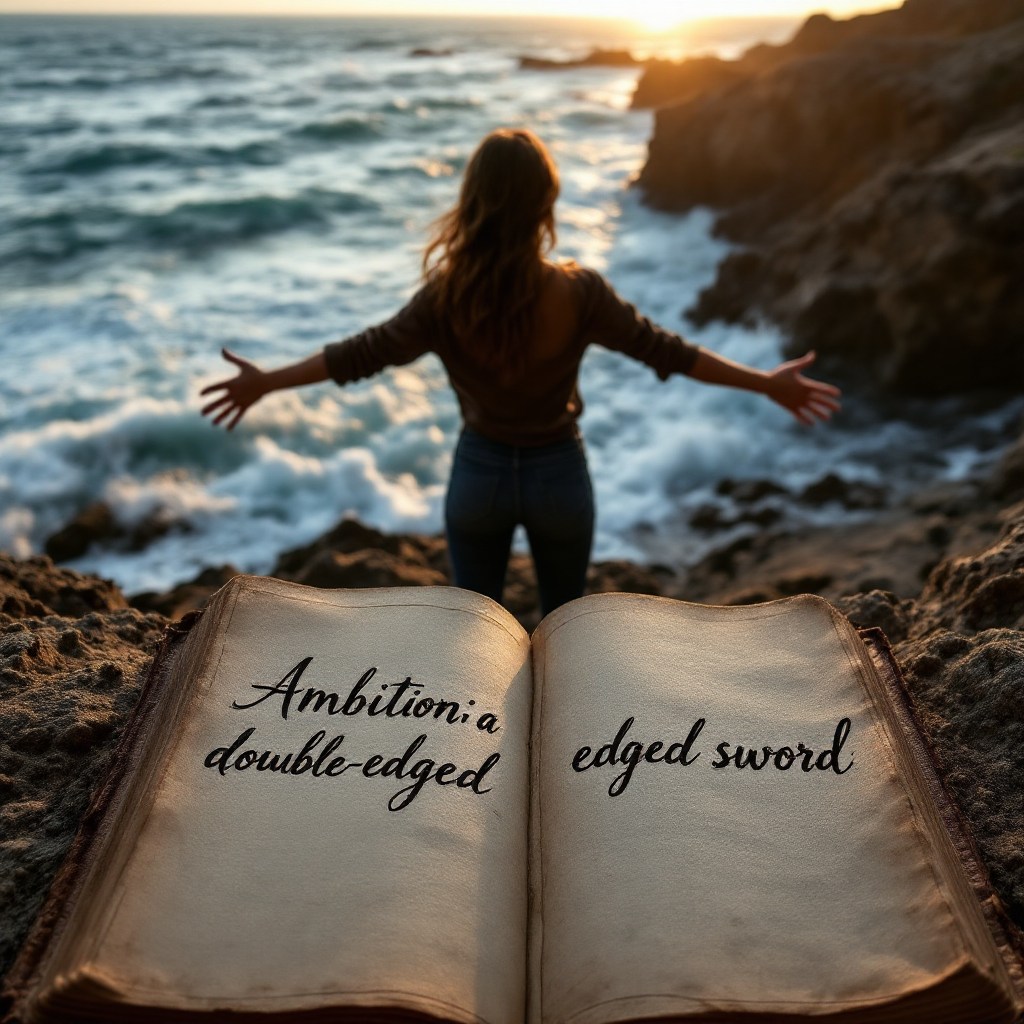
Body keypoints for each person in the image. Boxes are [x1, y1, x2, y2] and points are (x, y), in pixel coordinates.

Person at [201, 128, 840, 617]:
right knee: (565, 630)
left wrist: (266, 382)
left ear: (472, 203)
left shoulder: (445, 297)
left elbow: (360, 354)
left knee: (476, 635)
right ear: (546, 204)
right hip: (559, 476)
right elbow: (667, 352)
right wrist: (765, 382)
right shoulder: (580, 293)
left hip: (478, 477)